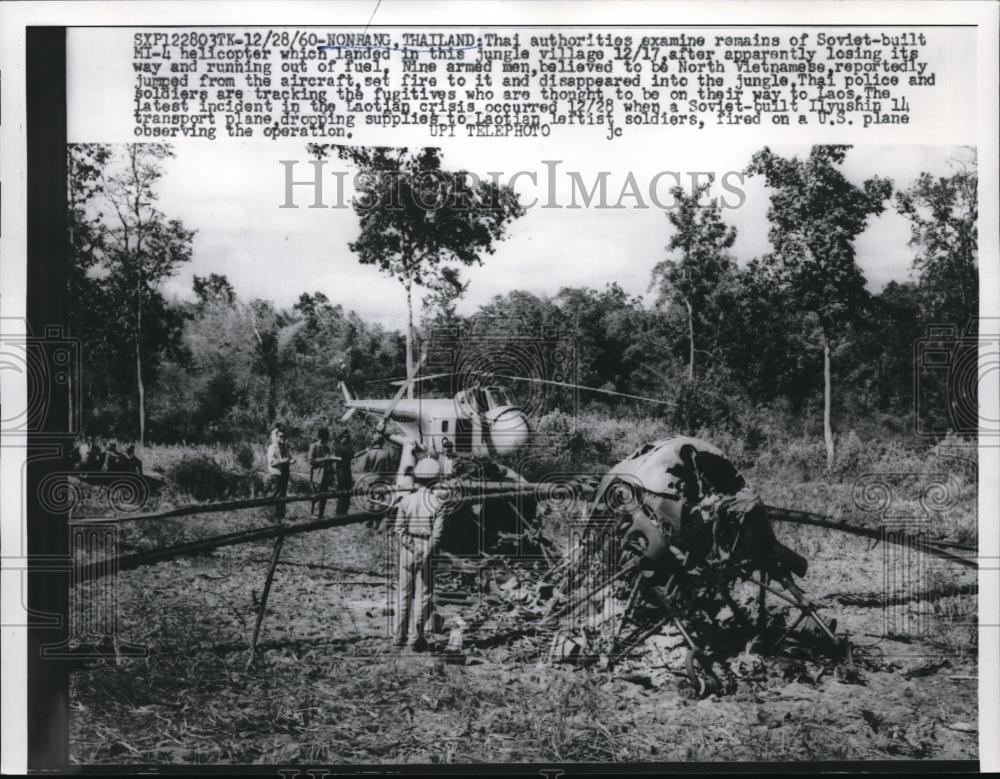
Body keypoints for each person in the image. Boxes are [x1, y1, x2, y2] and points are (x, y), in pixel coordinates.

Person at [393, 457, 448, 652]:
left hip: (408, 549)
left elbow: (399, 529)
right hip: (428, 549)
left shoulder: (405, 500)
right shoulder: (438, 503)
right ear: (435, 480)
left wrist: (412, 547)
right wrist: (424, 552)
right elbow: (437, 535)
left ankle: (398, 636)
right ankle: (415, 637)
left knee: (403, 593)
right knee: (424, 595)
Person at [307, 427, 338, 518]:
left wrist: (332, 460)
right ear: (322, 437)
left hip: (326, 475)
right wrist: (324, 459)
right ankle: (312, 513)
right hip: (317, 475)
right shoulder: (314, 446)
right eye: (326, 438)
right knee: (316, 495)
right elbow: (310, 461)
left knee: (324, 495)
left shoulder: (327, 448)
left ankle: (321, 514)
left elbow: (329, 461)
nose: (327, 440)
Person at [266, 426, 293, 521]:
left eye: (284, 436)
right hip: (276, 474)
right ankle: (270, 515)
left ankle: (279, 517)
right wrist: (283, 461)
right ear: (275, 437)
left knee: (283, 495)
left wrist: (292, 460)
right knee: (274, 494)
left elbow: (289, 457)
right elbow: (272, 463)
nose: (283, 438)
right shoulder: (272, 448)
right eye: (281, 436)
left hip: (285, 473)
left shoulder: (285, 447)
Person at [333, 429, 354, 516]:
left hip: (347, 472)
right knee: (341, 491)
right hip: (341, 472)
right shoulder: (338, 448)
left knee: (347, 491)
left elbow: (354, 455)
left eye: (348, 437)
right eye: (346, 437)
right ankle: (339, 511)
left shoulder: (348, 448)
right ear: (341, 438)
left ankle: (344, 511)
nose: (348, 439)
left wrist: (365, 451)